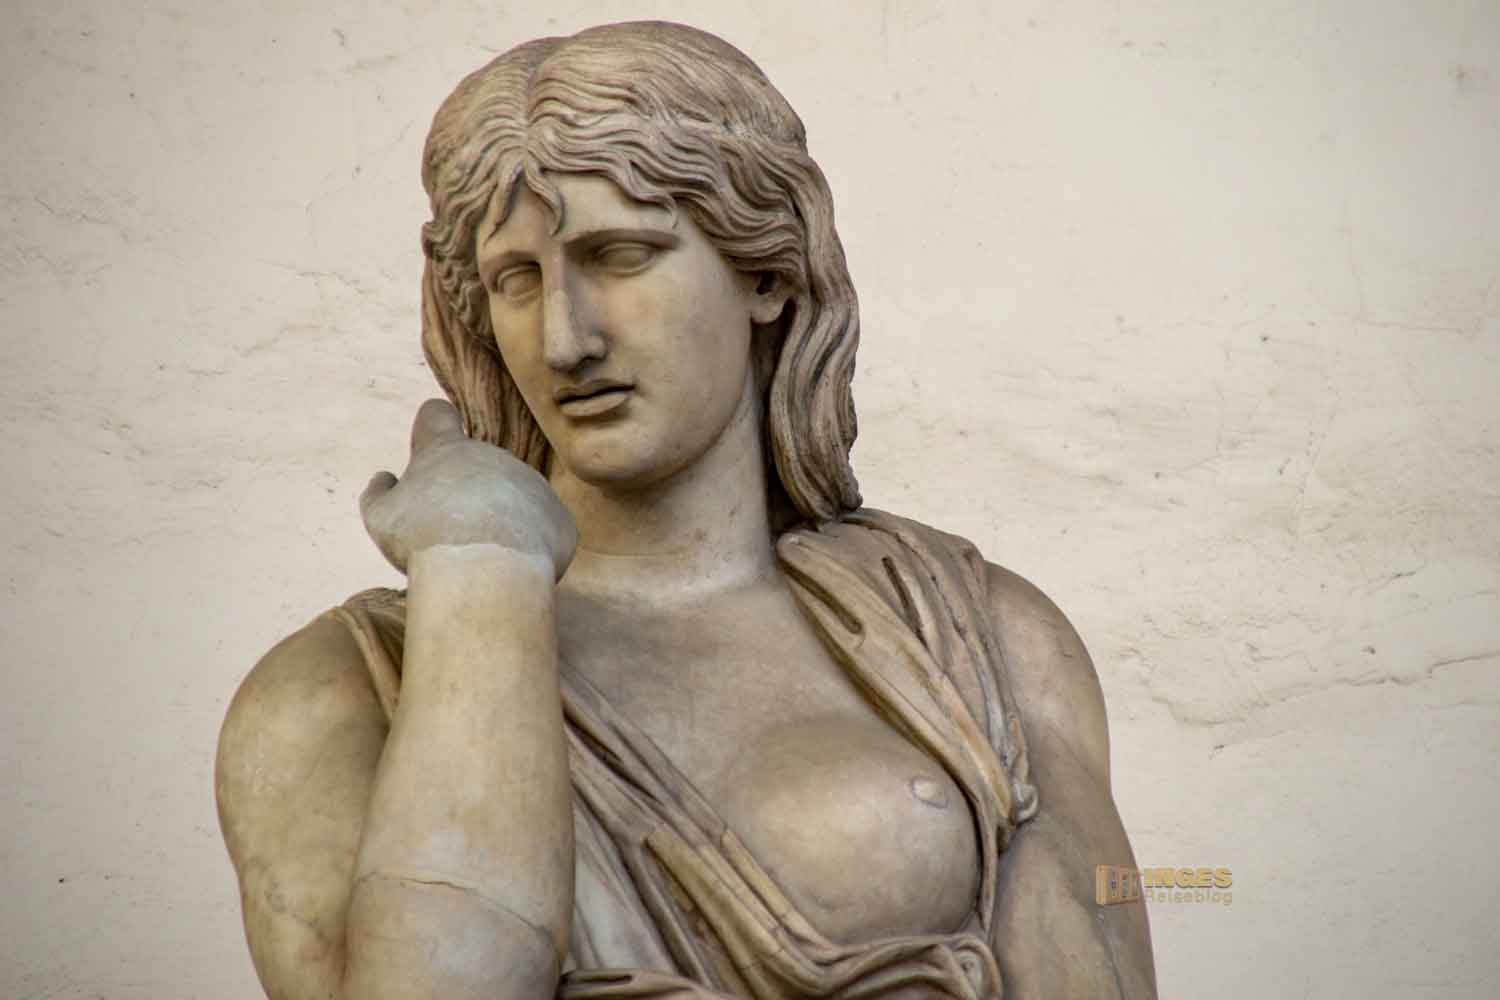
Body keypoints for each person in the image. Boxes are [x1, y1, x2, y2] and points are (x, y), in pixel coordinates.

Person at [215, 21, 1156, 1000]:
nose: (565, 339)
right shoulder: (330, 693)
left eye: (621, 254)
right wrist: (482, 573)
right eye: (515, 280)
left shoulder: (977, 639)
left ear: (766, 271)